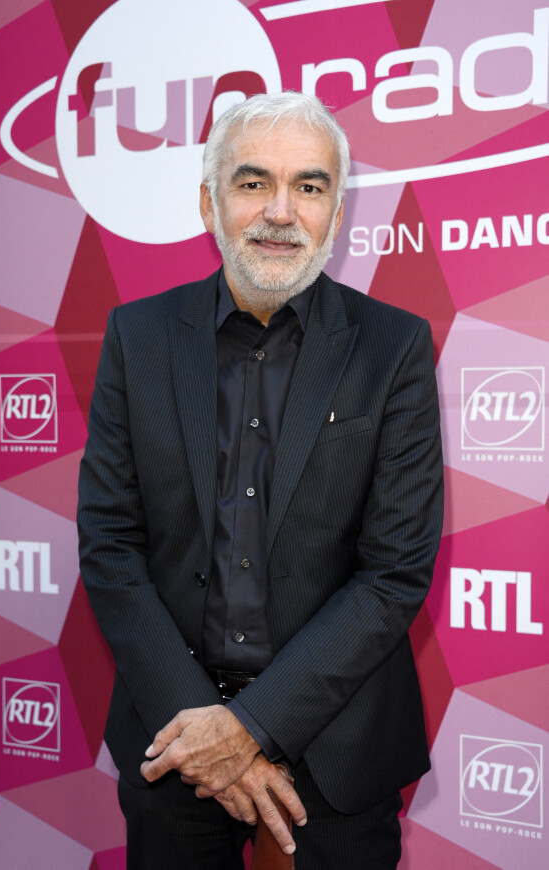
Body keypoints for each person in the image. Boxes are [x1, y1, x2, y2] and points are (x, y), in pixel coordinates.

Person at [78, 91, 444, 870]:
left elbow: (393, 573)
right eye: (253, 183)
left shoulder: (393, 347)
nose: (281, 211)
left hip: (338, 739)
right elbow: (111, 544)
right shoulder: (136, 336)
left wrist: (247, 729)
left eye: (309, 187)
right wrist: (203, 724)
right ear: (209, 202)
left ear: (336, 215)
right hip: (171, 731)